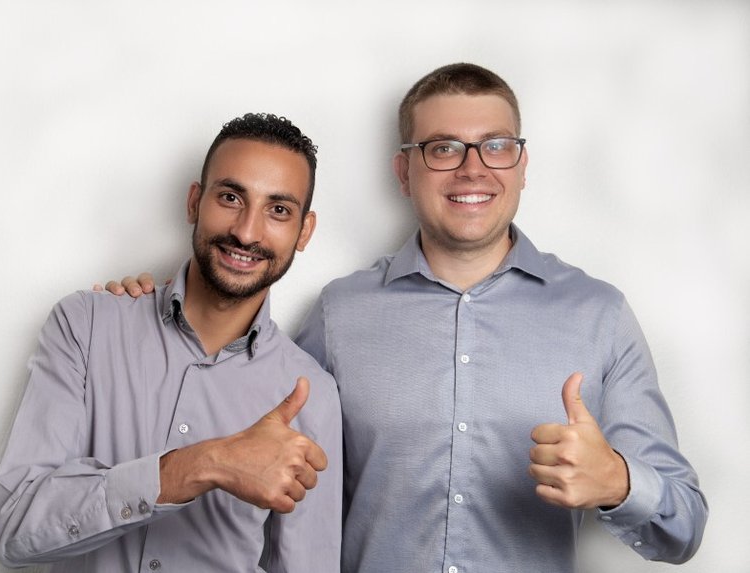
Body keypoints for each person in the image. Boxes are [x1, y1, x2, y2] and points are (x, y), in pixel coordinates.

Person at [111, 64, 708, 572]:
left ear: (522, 166)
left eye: (496, 146)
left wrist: (620, 483)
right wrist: (151, 310)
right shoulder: (340, 314)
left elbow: (684, 529)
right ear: (405, 172)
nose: (473, 169)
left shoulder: (598, 315)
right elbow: (247, 433)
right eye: (443, 148)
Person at [0, 113, 343, 572]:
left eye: (278, 210)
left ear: (304, 231)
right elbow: (15, 528)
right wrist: (203, 464)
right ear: (195, 202)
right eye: (231, 197)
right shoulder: (86, 325)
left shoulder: (312, 395)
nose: (247, 232)